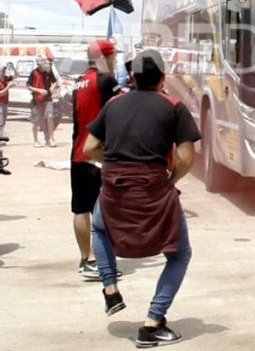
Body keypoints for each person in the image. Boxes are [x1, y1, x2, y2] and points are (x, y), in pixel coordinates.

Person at [83, 50, 200, 347]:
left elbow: (90, 147)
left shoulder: (113, 104)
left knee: (98, 227)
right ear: (163, 79)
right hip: (153, 188)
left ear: (132, 78)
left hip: (113, 187)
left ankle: (110, 289)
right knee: (179, 254)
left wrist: (113, 161)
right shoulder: (174, 107)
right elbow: (186, 157)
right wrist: (171, 179)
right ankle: (152, 323)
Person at [71, 40, 119, 280]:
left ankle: (85, 258)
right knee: (105, 210)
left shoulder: (78, 81)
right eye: (114, 56)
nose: (116, 61)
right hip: (98, 154)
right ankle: (100, 261)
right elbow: (120, 111)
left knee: (81, 208)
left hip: (78, 152)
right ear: (106, 57)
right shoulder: (106, 81)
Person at [28, 55, 59, 147]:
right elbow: (28, 86)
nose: (39, 63)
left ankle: (51, 139)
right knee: (37, 120)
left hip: (48, 98)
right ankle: (35, 140)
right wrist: (39, 90)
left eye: (41, 61)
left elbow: (55, 81)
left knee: (50, 118)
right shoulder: (33, 73)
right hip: (37, 100)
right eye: (37, 62)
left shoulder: (48, 72)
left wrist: (52, 87)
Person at [0, 63, 14, 140]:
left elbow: (17, 75)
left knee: (3, 122)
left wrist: (13, 67)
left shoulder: (5, 79)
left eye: (4, 70)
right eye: (2, 70)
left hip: (5, 103)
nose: (4, 72)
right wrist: (8, 87)